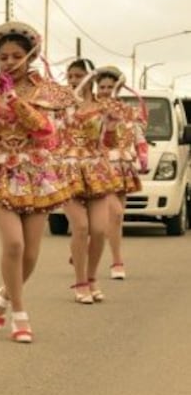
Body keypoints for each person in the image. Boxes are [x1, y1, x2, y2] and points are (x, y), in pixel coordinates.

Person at [0, 22, 75, 344]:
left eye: (15, 56)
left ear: (30, 56)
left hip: (36, 172)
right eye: (3, 57)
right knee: (14, 245)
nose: (9, 62)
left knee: (31, 254)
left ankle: (4, 296)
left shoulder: (44, 90)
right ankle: (20, 314)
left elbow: (44, 130)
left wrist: (13, 100)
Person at [59, 60, 125, 304]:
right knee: (81, 227)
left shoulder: (103, 107)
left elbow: (110, 143)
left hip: (96, 171)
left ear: (90, 78)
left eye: (78, 75)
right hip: (67, 170)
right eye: (70, 76)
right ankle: (80, 282)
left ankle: (92, 278)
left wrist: (112, 126)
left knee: (99, 230)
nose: (73, 80)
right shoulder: (60, 105)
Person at [97, 70, 148, 280]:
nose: (106, 91)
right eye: (102, 87)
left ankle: (85, 247)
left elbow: (139, 135)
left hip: (124, 167)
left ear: (118, 88)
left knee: (115, 219)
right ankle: (117, 262)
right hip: (100, 167)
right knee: (116, 214)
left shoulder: (128, 111)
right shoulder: (92, 110)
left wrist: (143, 158)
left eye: (110, 87)